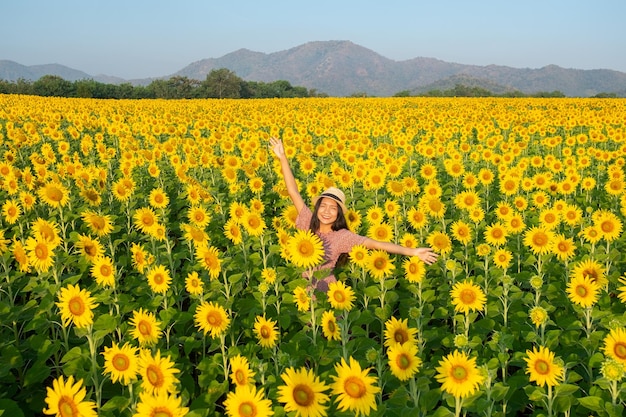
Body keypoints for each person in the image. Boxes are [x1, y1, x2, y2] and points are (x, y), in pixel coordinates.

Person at [270, 137, 439, 292]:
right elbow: (293, 192)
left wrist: (413, 252)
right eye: (324, 206)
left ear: (338, 214)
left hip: (328, 293)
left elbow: (375, 244)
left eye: (333, 208)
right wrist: (282, 157)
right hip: (303, 290)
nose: (327, 211)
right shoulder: (307, 222)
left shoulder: (342, 237)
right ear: (317, 208)